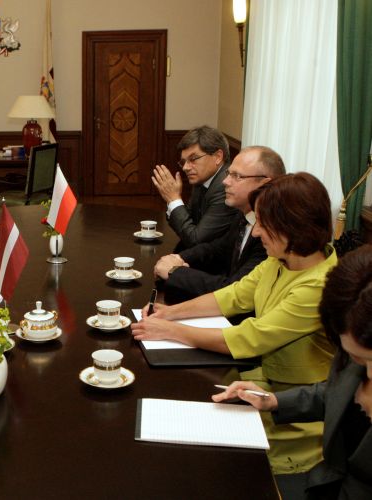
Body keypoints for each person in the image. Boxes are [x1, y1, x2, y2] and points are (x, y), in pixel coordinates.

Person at [132, 172, 337, 477]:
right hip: (256, 386)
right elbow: (233, 296)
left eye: (263, 224)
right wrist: (170, 313)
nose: (256, 233)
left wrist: (170, 331)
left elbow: (251, 338)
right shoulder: (281, 260)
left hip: (290, 417)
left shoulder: (319, 286)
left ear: (291, 228)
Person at [214, 245, 372, 499]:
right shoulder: (354, 334)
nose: (368, 374)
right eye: (356, 358)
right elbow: (334, 392)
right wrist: (273, 401)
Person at [154, 146, 285, 303]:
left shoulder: (273, 234)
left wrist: (175, 271)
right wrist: (177, 258)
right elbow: (217, 249)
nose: (225, 181)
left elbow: (233, 289)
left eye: (237, 176)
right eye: (229, 173)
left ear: (264, 184)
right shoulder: (243, 214)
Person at [152, 125, 240, 250]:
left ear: (218, 157)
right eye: (183, 162)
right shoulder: (202, 180)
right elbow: (189, 222)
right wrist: (173, 200)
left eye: (193, 159)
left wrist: (174, 199)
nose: (185, 168)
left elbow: (194, 239)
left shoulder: (226, 187)